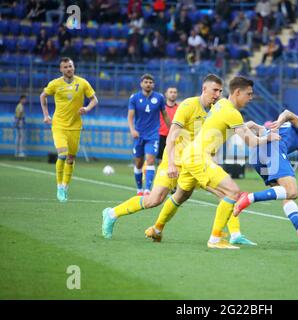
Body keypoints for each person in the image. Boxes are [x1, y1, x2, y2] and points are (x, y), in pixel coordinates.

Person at [102, 75, 256, 246]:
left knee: (220, 193)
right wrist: (172, 163)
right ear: (204, 89)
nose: (217, 94)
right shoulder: (188, 105)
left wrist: (248, 126)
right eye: (214, 90)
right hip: (174, 161)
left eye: (220, 91)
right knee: (154, 200)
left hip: (196, 161)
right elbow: (172, 135)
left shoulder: (217, 108)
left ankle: (233, 234)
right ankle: (112, 213)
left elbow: (229, 127)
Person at [145, 76, 281, 249]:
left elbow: (222, 126)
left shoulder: (221, 105)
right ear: (237, 92)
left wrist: (251, 125)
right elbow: (251, 142)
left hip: (190, 155)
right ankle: (216, 239)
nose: (251, 98)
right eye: (249, 94)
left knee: (181, 195)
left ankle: (156, 229)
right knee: (232, 192)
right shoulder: (231, 112)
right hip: (199, 157)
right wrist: (268, 136)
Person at [233, 110, 298, 250]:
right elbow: (288, 113)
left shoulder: (290, 137)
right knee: (292, 192)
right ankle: (249, 197)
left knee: (284, 194)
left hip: (257, 157)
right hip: (273, 148)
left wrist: (254, 126)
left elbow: (264, 131)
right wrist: (280, 121)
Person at [40, 57, 98, 202]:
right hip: (59, 124)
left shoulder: (82, 82)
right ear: (61, 69)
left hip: (75, 126)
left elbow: (94, 99)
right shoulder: (55, 84)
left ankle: (65, 186)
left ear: (74, 67)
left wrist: (87, 108)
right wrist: (46, 115)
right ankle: (59, 186)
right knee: (62, 154)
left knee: (71, 158)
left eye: (70, 66)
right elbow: (43, 96)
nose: (69, 69)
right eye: (65, 67)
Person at [128, 74, 170, 196]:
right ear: (141, 83)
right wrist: (132, 130)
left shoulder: (159, 98)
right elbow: (130, 116)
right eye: (146, 82)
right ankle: (139, 189)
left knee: (150, 160)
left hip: (153, 135)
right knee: (139, 163)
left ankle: (147, 190)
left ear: (153, 84)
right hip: (138, 135)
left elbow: (165, 115)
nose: (148, 84)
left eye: (150, 82)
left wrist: (172, 129)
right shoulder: (134, 98)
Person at [157, 86, 178, 162]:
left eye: (175, 92)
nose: (173, 94)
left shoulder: (179, 108)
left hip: (174, 137)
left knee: (173, 159)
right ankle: (160, 174)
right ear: (166, 94)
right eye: (171, 92)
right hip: (162, 136)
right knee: (161, 159)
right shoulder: (161, 108)